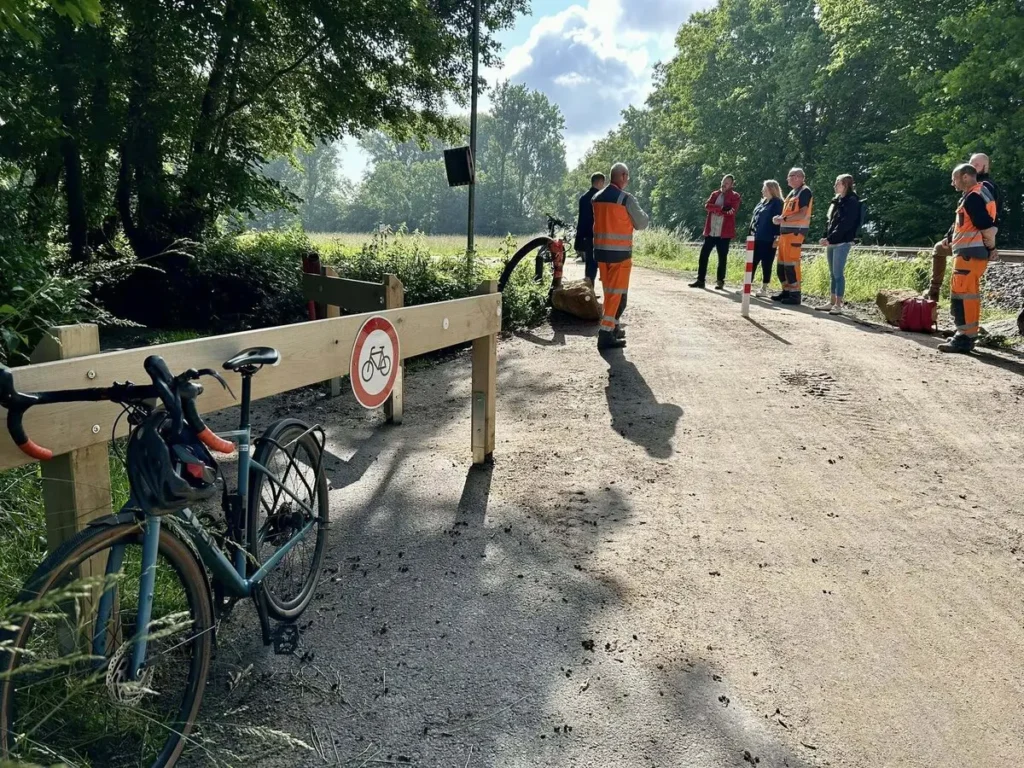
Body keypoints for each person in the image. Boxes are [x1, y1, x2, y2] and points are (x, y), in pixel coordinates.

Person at [938, 163, 998, 354]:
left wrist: (992, 247)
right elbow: (969, 223)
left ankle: (964, 338)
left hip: (969, 254)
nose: (952, 183)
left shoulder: (973, 197)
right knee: (967, 295)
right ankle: (965, 334)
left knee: (963, 296)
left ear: (965, 177)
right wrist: (949, 237)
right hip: (970, 254)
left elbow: (985, 226)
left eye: (954, 178)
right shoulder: (977, 194)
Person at [926, 152, 1001, 301]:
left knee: (963, 291)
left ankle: (933, 292)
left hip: (972, 246)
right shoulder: (974, 190)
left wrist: (992, 246)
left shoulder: (979, 190)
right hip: (973, 243)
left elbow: (986, 220)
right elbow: (963, 217)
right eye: (971, 163)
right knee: (966, 291)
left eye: (976, 164)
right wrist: (949, 235)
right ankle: (934, 293)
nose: (972, 166)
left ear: (986, 167)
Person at [592, 162, 650, 350]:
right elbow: (641, 223)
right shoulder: (626, 199)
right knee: (617, 295)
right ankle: (606, 333)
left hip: (601, 252)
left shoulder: (596, 198)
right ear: (623, 176)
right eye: (628, 176)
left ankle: (613, 328)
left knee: (610, 293)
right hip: (620, 254)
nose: (628, 179)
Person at [814, 174, 861, 315]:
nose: (835, 186)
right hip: (832, 241)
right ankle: (832, 301)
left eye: (837, 183)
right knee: (832, 274)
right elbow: (829, 221)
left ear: (845, 185)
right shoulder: (837, 200)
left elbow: (845, 224)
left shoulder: (852, 202)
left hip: (842, 242)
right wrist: (825, 237)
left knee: (838, 273)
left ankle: (838, 305)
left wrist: (830, 238)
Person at [690, 175, 741, 290]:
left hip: (724, 233)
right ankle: (700, 280)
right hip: (711, 231)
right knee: (703, 255)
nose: (724, 184)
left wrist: (717, 209)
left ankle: (720, 281)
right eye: (723, 181)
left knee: (722, 257)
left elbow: (732, 211)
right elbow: (707, 206)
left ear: (732, 185)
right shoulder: (715, 194)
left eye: (727, 183)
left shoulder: (735, 196)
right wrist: (722, 208)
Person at [772, 168, 813, 305]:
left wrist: (783, 219)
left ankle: (795, 295)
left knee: (791, 265)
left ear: (798, 177)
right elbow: (788, 214)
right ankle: (786, 291)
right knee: (781, 266)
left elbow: (802, 213)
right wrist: (780, 218)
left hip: (795, 234)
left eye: (790, 176)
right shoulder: (792, 193)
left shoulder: (805, 192)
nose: (787, 179)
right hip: (785, 234)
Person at [748, 180, 784, 297]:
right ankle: (747, 285)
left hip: (769, 238)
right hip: (756, 237)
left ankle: (764, 288)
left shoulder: (777, 203)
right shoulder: (762, 203)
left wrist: (777, 238)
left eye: (764, 188)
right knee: (752, 262)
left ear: (771, 189)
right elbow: (754, 219)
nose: (762, 190)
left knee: (766, 263)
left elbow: (778, 221)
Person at [573, 172, 606, 284]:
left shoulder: (583, 198)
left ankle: (589, 287)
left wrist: (578, 240)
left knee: (590, 265)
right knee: (602, 264)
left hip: (587, 236)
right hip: (600, 235)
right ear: (600, 182)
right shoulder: (601, 197)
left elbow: (581, 220)